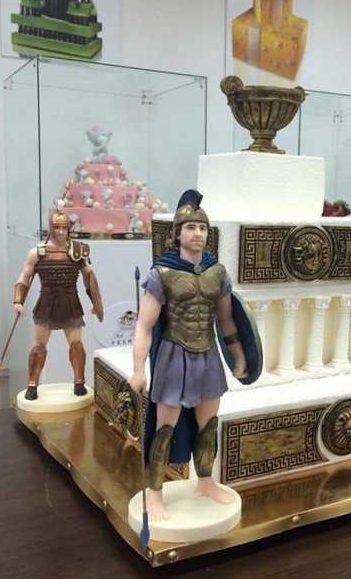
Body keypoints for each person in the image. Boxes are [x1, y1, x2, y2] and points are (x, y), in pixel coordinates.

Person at [129, 190, 248, 522]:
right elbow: (144, 326)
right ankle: (155, 493)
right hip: (173, 355)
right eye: (191, 227)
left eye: (203, 228)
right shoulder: (162, 274)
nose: (198, 233)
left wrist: (238, 357)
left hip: (208, 355)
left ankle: (205, 482)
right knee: (164, 429)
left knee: (208, 424)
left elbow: (227, 321)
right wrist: (138, 369)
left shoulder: (217, 273)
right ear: (178, 234)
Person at [13, 202, 103, 400]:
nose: (60, 231)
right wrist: (18, 301)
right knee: (39, 347)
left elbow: (89, 277)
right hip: (46, 304)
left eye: (64, 227)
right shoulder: (38, 252)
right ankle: (32, 385)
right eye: (56, 227)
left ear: (69, 228)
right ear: (50, 227)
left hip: (71, 303)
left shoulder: (78, 251)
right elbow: (24, 276)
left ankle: (79, 382)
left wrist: (95, 303)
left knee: (77, 345)